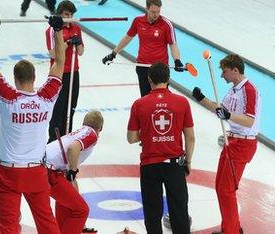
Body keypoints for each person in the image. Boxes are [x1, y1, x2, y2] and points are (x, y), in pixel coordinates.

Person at [0, 14, 65, 233]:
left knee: (9, 227)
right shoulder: (46, 98)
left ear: (15, 79)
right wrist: (58, 30)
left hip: (9, 173)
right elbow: (61, 63)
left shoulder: (8, 98)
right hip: (36, 172)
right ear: (35, 78)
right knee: (47, 223)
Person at [192, 54, 260, 234]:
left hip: (243, 143)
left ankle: (231, 231)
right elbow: (221, 111)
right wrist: (202, 98)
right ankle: (231, 228)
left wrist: (229, 116)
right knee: (220, 187)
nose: (222, 75)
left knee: (226, 189)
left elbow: (249, 121)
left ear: (235, 70)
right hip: (232, 141)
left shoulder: (249, 90)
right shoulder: (234, 90)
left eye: (224, 71)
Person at [127, 62, 195, 234]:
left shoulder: (139, 104)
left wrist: (149, 134)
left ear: (149, 80)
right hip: (174, 164)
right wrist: (188, 161)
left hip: (150, 165)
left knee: (152, 213)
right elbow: (190, 137)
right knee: (179, 211)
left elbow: (131, 138)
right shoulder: (182, 102)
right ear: (168, 79)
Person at [102, 0, 184, 97]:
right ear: (147, 8)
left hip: (160, 69)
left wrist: (177, 60)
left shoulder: (166, 24)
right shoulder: (138, 21)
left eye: (158, 11)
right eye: (153, 12)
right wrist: (113, 53)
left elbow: (173, 45)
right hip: (142, 66)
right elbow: (128, 37)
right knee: (145, 99)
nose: (156, 15)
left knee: (161, 98)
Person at [45, 110, 103, 234]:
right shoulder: (92, 134)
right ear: (100, 128)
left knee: (66, 204)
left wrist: (71, 172)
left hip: (44, 166)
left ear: (83, 123)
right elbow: (73, 148)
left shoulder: (77, 133)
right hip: (49, 171)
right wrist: (72, 170)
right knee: (82, 210)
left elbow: (71, 179)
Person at [46, 0, 84, 142]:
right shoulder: (52, 30)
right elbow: (54, 54)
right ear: (60, 14)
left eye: (71, 14)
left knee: (71, 107)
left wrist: (78, 42)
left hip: (74, 72)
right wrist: (68, 43)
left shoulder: (76, 28)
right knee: (58, 109)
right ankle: (53, 141)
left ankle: (67, 138)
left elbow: (81, 52)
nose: (69, 17)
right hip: (58, 74)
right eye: (66, 14)